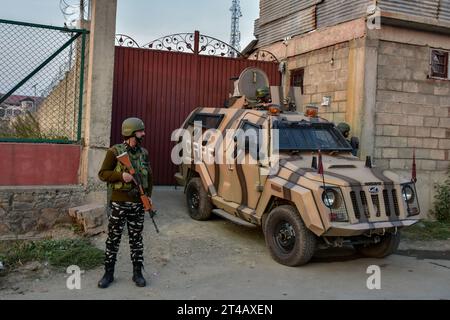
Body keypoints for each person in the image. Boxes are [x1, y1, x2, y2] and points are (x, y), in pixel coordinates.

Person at [97, 117, 153, 288]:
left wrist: (148, 197)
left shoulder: (143, 153)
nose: (143, 133)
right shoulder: (114, 151)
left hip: (137, 203)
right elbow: (103, 174)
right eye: (140, 131)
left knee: (136, 239)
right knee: (113, 239)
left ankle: (137, 273)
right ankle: (108, 273)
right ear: (131, 132)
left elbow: (149, 177)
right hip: (118, 203)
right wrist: (122, 176)